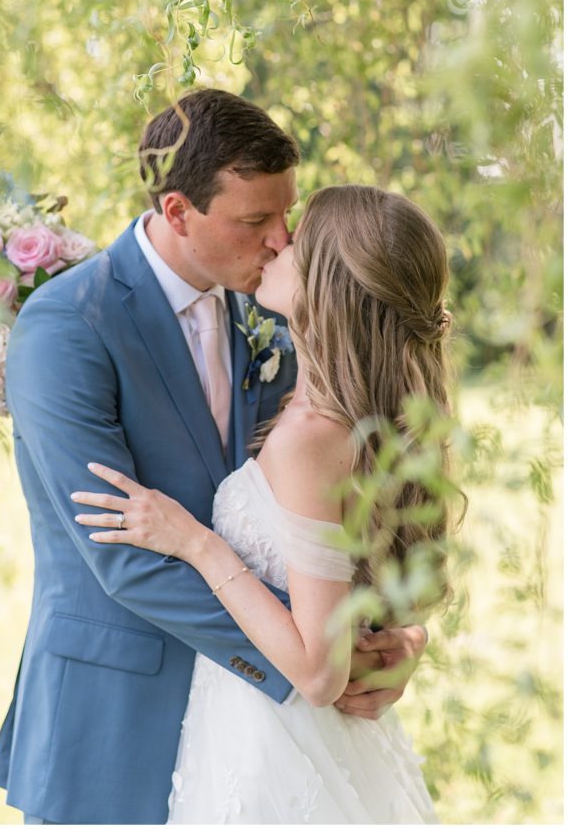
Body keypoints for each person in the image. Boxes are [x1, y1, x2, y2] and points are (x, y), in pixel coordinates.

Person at [0, 91, 426, 825]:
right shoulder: (69, 327)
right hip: (118, 719)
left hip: (257, 739)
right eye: (255, 221)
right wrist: (314, 661)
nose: (281, 241)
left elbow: (336, 508)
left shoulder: (279, 312)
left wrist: (395, 635)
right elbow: (121, 555)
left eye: (285, 215)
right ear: (179, 210)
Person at [72, 184, 456, 823]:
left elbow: (317, 671)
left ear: (328, 283)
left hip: (279, 743)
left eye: (298, 237)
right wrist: (402, 637)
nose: (278, 241)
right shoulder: (351, 411)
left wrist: (196, 542)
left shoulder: (311, 437)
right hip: (280, 729)